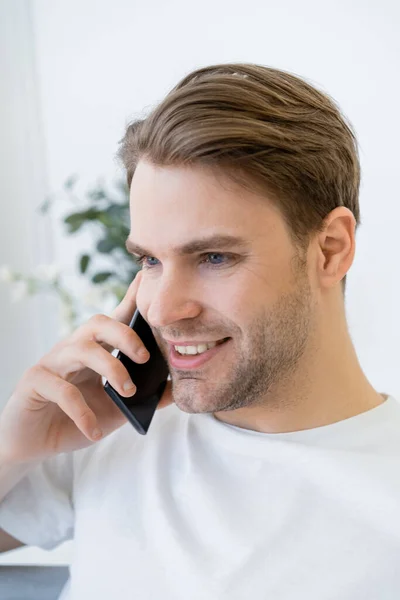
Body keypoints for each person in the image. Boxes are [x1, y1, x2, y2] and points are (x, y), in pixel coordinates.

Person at [0, 62, 399, 600]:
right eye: (149, 260)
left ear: (331, 249)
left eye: (214, 256)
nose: (163, 310)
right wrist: (13, 448)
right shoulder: (107, 433)